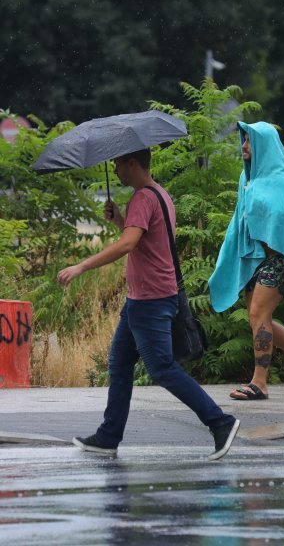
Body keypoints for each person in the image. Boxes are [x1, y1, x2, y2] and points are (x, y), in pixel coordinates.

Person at [58, 148, 240, 460]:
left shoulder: (142, 198)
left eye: (117, 163)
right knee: (119, 364)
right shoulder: (160, 194)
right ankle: (108, 436)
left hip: (150, 299)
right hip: (143, 299)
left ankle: (220, 422)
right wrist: (120, 220)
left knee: (162, 368)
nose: (114, 170)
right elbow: (144, 240)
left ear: (132, 163)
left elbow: (128, 244)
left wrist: (81, 266)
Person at [208, 122, 284, 401]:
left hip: (279, 260)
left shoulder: (281, 179)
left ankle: (259, 383)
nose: (244, 146)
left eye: (249, 141)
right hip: (254, 259)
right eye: (244, 140)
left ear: (265, 145)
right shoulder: (246, 180)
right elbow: (240, 222)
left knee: (258, 314)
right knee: (259, 318)